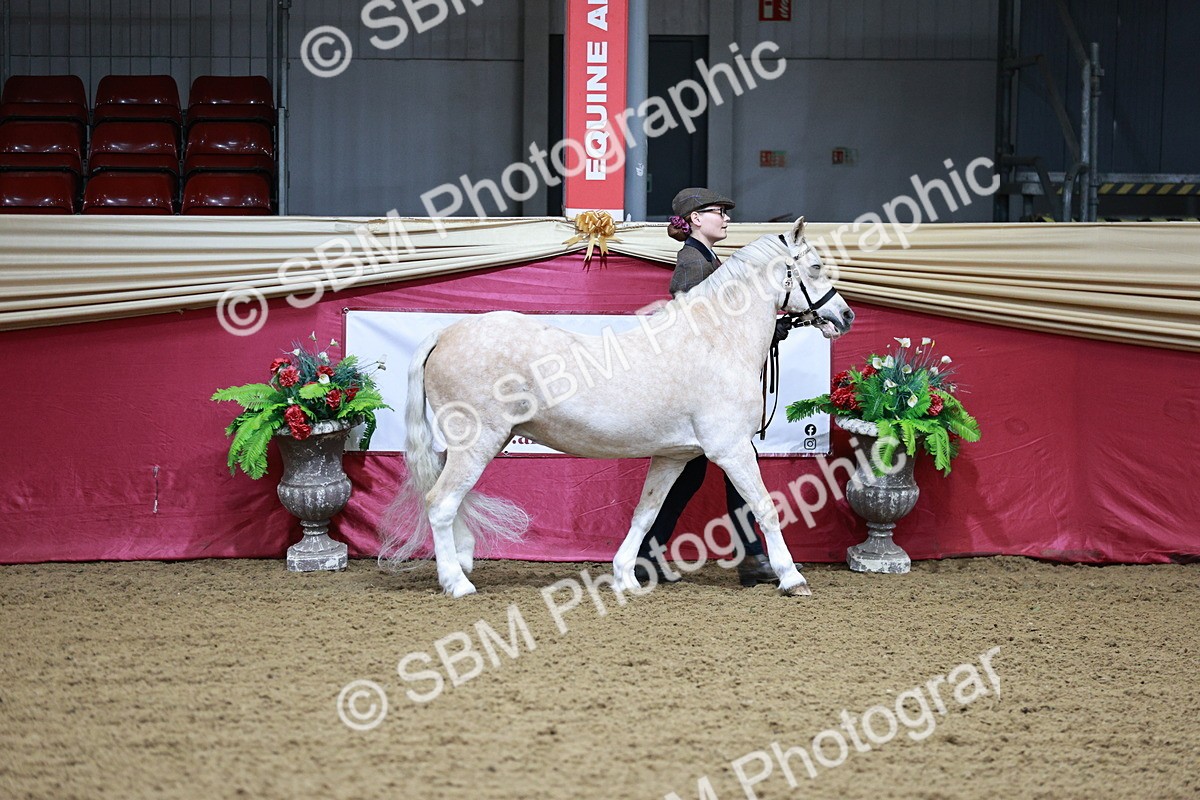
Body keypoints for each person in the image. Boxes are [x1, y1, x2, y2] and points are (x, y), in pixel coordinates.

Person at [635, 187, 781, 587]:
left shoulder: (709, 258)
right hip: (705, 394)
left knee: (689, 477)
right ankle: (751, 557)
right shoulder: (692, 261)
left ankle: (647, 555)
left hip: (705, 394)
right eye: (718, 212)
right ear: (696, 219)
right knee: (736, 471)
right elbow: (687, 320)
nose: (726, 218)